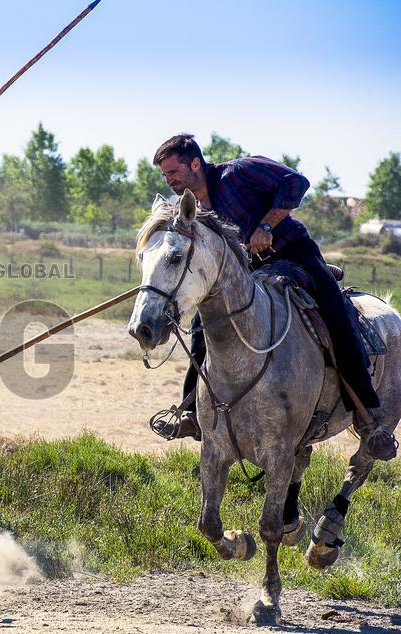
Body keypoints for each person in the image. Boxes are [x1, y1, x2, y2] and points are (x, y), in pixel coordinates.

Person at [149, 134, 388, 455]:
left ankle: (367, 415)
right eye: (165, 176)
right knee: (203, 325)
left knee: (336, 315)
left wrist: (265, 226)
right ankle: (191, 411)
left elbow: (296, 182)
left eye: (173, 172)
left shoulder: (238, 173)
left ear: (195, 163)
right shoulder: (189, 207)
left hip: (293, 253)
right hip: (245, 271)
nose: (170, 180)